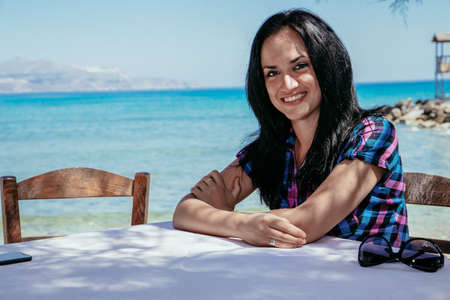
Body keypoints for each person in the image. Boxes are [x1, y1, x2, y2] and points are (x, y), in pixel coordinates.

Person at [173, 9, 409, 249]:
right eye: (272, 73)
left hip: (377, 277)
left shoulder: (373, 134)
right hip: (299, 280)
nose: (287, 85)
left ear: (328, 66)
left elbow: (307, 223)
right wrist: (242, 225)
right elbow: (184, 211)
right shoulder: (272, 147)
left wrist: (225, 216)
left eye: (300, 66)